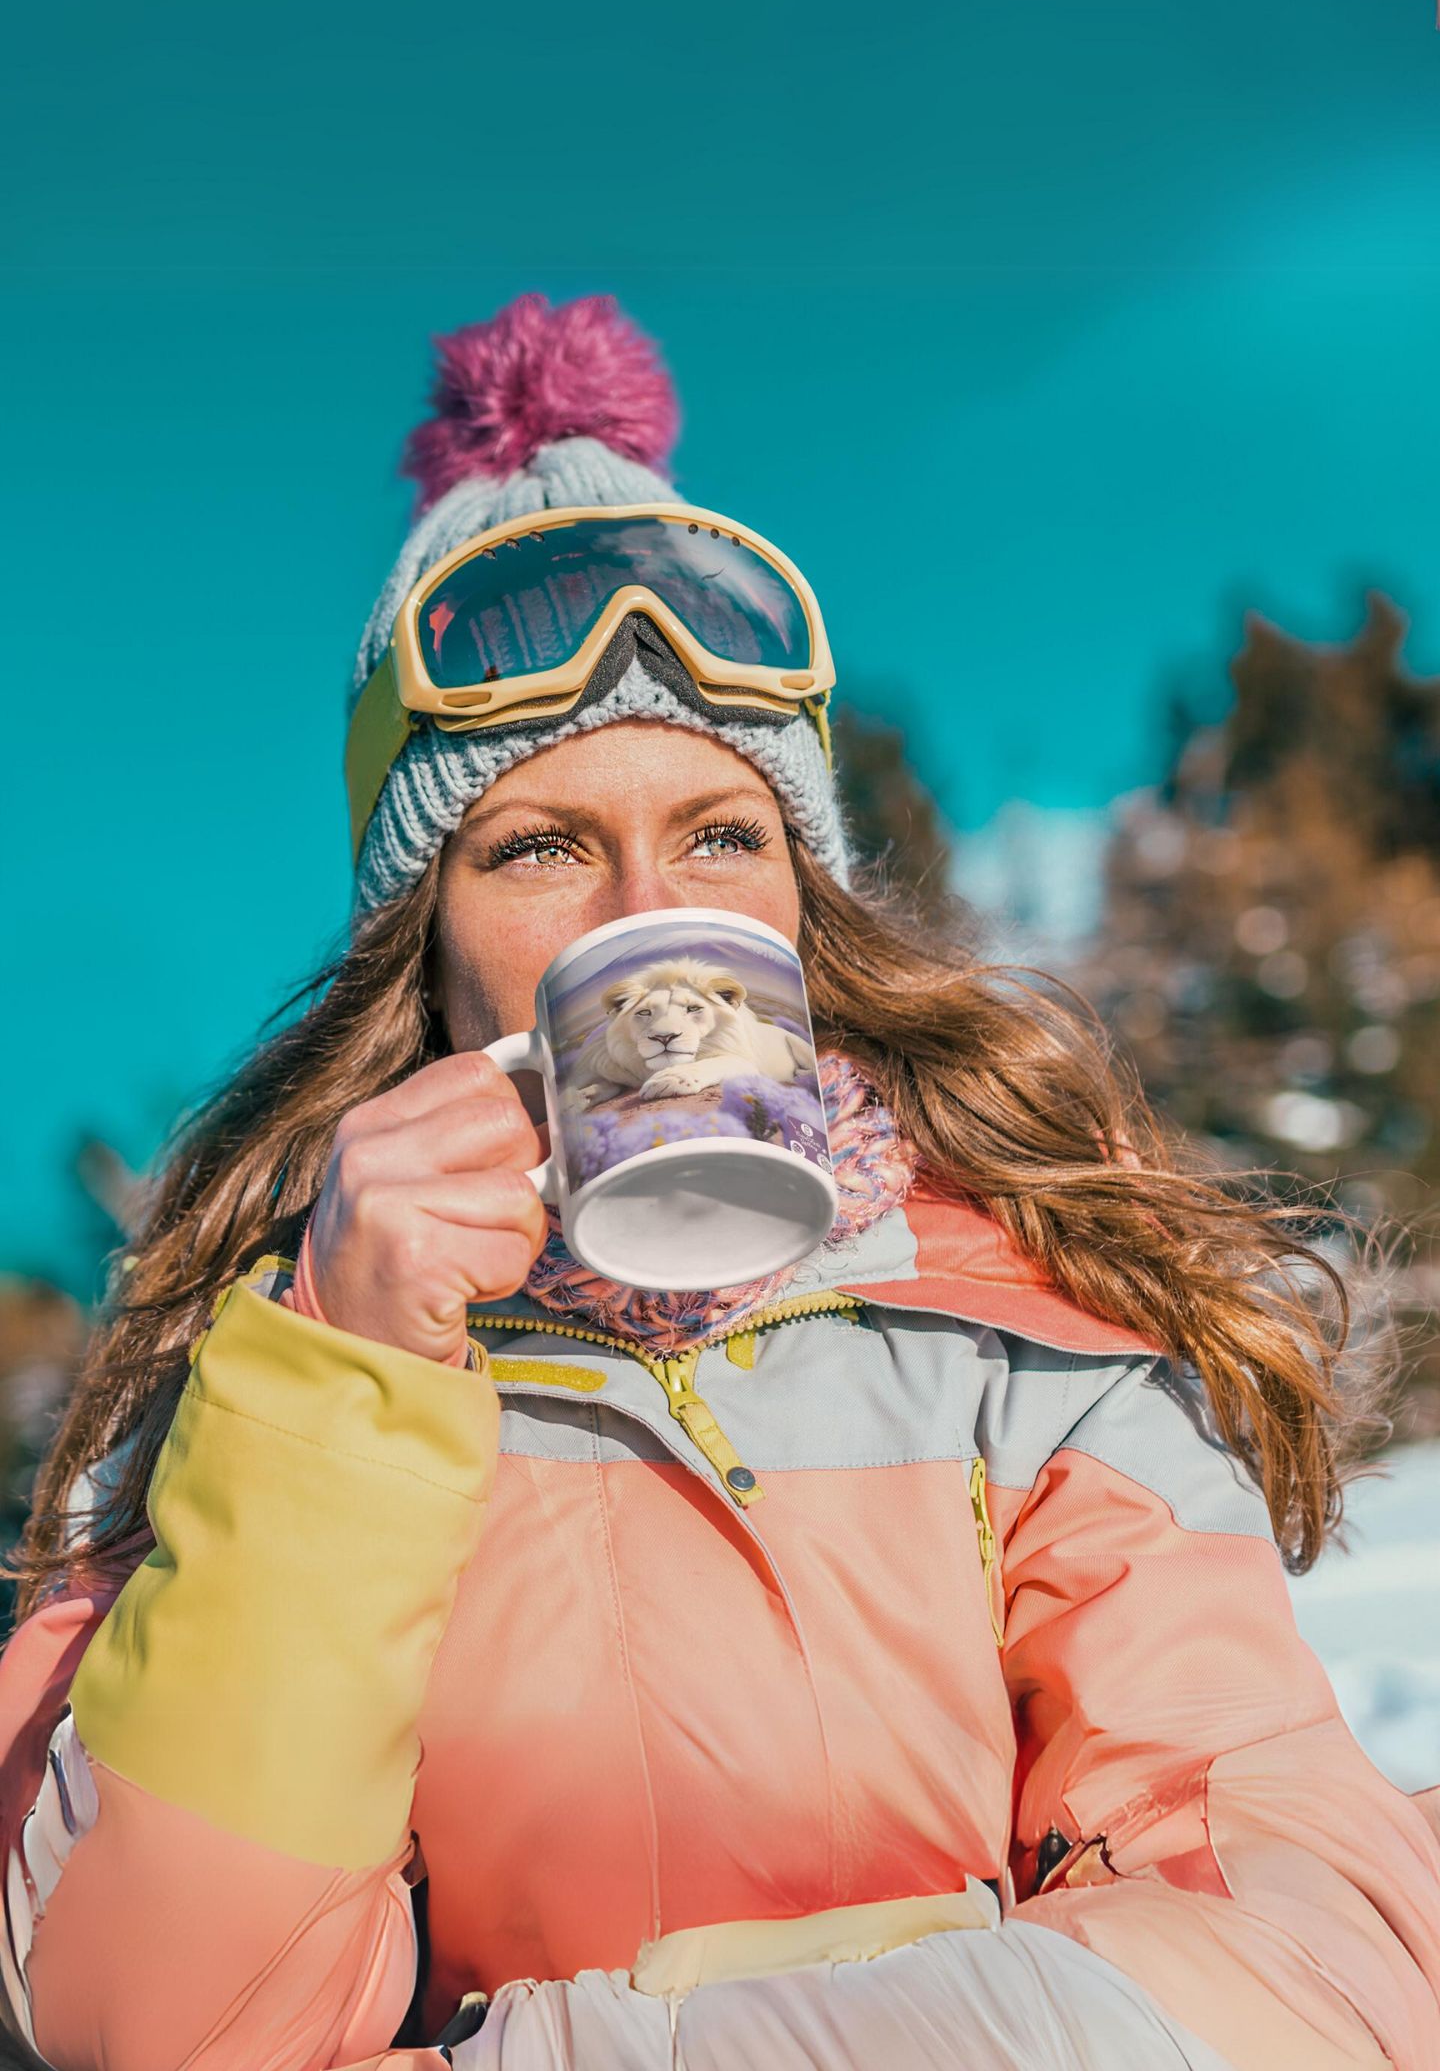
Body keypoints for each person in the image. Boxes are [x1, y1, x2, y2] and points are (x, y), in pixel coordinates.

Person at [0, 292, 1436, 2071]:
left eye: (719, 837)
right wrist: (346, 1387)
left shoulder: (1037, 1338)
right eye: (537, 848)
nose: (643, 928)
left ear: (803, 911)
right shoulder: (263, 1399)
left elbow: (1309, 1978)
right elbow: (160, 2028)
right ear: (423, 955)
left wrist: (534, 2045)